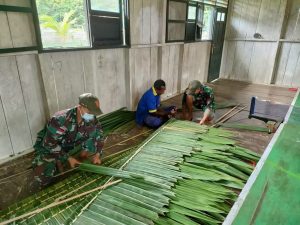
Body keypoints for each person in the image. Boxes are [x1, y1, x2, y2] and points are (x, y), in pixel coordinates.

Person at [32, 93, 105, 187]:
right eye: (90, 111)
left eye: (94, 112)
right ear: (80, 107)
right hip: (47, 146)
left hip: (67, 145)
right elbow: (49, 144)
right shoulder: (60, 119)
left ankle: (77, 157)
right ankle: (49, 169)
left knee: (92, 133)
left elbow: (99, 133)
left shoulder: (89, 117)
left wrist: (98, 154)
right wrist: (68, 158)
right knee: (44, 174)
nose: (92, 115)